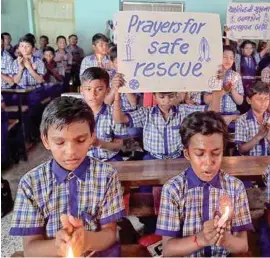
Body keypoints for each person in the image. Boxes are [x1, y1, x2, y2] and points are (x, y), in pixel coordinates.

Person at [10, 97, 125, 257]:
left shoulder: (106, 176)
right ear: (45, 140)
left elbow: (109, 234)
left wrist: (86, 240)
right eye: (60, 142)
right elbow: (30, 249)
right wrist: (58, 246)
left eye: (80, 140)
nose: (71, 151)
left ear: (92, 137)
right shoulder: (30, 184)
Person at [156, 111, 253, 257]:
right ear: (187, 154)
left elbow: (243, 245)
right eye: (200, 154)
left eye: (216, 153)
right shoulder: (173, 189)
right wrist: (201, 239)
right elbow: (168, 249)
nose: (209, 162)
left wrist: (225, 239)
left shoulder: (235, 188)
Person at [112, 73, 222, 160]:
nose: (166, 100)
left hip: (178, 157)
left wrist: (216, 88)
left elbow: (213, 111)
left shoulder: (183, 110)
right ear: (154, 96)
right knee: (145, 187)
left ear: (176, 95)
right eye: (162, 96)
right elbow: (119, 119)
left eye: (170, 96)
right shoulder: (146, 113)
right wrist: (117, 94)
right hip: (152, 158)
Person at [80, 67, 128, 161]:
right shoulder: (75, 114)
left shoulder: (114, 115)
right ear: (81, 91)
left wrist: (99, 143)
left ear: (107, 91)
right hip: (83, 159)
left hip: (110, 158)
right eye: (88, 89)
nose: (93, 94)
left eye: (99, 89)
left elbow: (118, 145)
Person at [204, 46, 244, 115]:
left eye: (231, 58)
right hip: (213, 114)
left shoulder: (236, 76)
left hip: (231, 114)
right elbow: (206, 100)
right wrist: (224, 90)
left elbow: (240, 102)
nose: (228, 60)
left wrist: (232, 90)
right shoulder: (212, 75)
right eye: (225, 57)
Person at [235, 81, 270, 156]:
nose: (263, 102)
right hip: (249, 164)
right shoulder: (242, 120)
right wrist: (258, 136)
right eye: (259, 99)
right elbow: (241, 150)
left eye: (266, 99)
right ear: (249, 100)